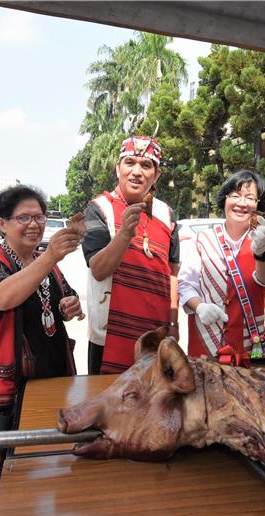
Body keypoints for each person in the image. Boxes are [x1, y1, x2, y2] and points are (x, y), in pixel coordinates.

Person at [0, 186, 83, 416]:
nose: (34, 224)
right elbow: (3, 299)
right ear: (2, 224)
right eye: (23, 217)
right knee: (14, 448)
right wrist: (51, 256)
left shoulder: (44, 261)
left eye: (39, 217)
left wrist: (70, 306)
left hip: (54, 370)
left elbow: (66, 300)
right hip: (13, 382)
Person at [83, 135, 180, 374]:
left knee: (155, 407)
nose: (137, 171)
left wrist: (174, 324)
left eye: (146, 165)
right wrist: (125, 233)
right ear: (118, 169)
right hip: (109, 338)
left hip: (155, 336)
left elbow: (172, 274)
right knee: (108, 407)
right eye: (129, 163)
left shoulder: (166, 214)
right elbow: (98, 269)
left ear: (156, 175)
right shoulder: (99, 209)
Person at [178, 170, 265, 358]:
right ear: (224, 200)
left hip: (248, 342)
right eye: (235, 195)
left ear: (258, 205)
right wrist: (199, 306)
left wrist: (262, 253)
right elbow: (186, 285)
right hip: (205, 338)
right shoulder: (201, 239)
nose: (242, 203)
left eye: (250, 198)